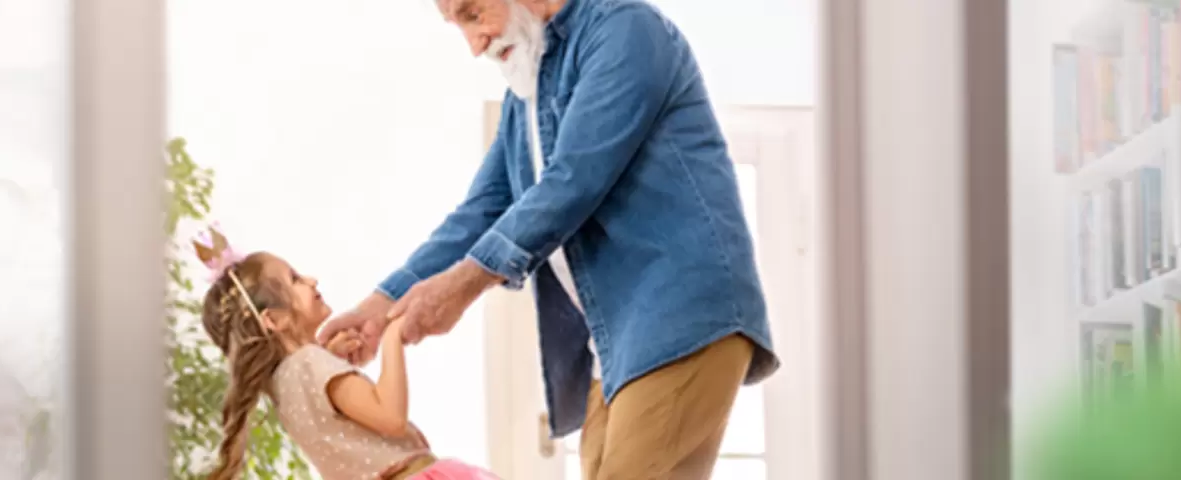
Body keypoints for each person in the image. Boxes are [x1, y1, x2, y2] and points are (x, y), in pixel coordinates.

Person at [317, 0, 780, 478]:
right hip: (616, 343)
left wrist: (461, 287)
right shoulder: (529, 91)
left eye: (473, 15)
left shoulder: (627, 32)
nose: (474, 46)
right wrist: (381, 304)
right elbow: (482, 210)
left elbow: (572, 183)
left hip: (678, 320)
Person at [193, 229, 497, 480]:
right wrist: (393, 334)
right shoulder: (312, 363)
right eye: (295, 279)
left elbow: (327, 416)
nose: (311, 280)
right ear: (275, 320)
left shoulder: (282, 386)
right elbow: (390, 418)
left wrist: (331, 356)